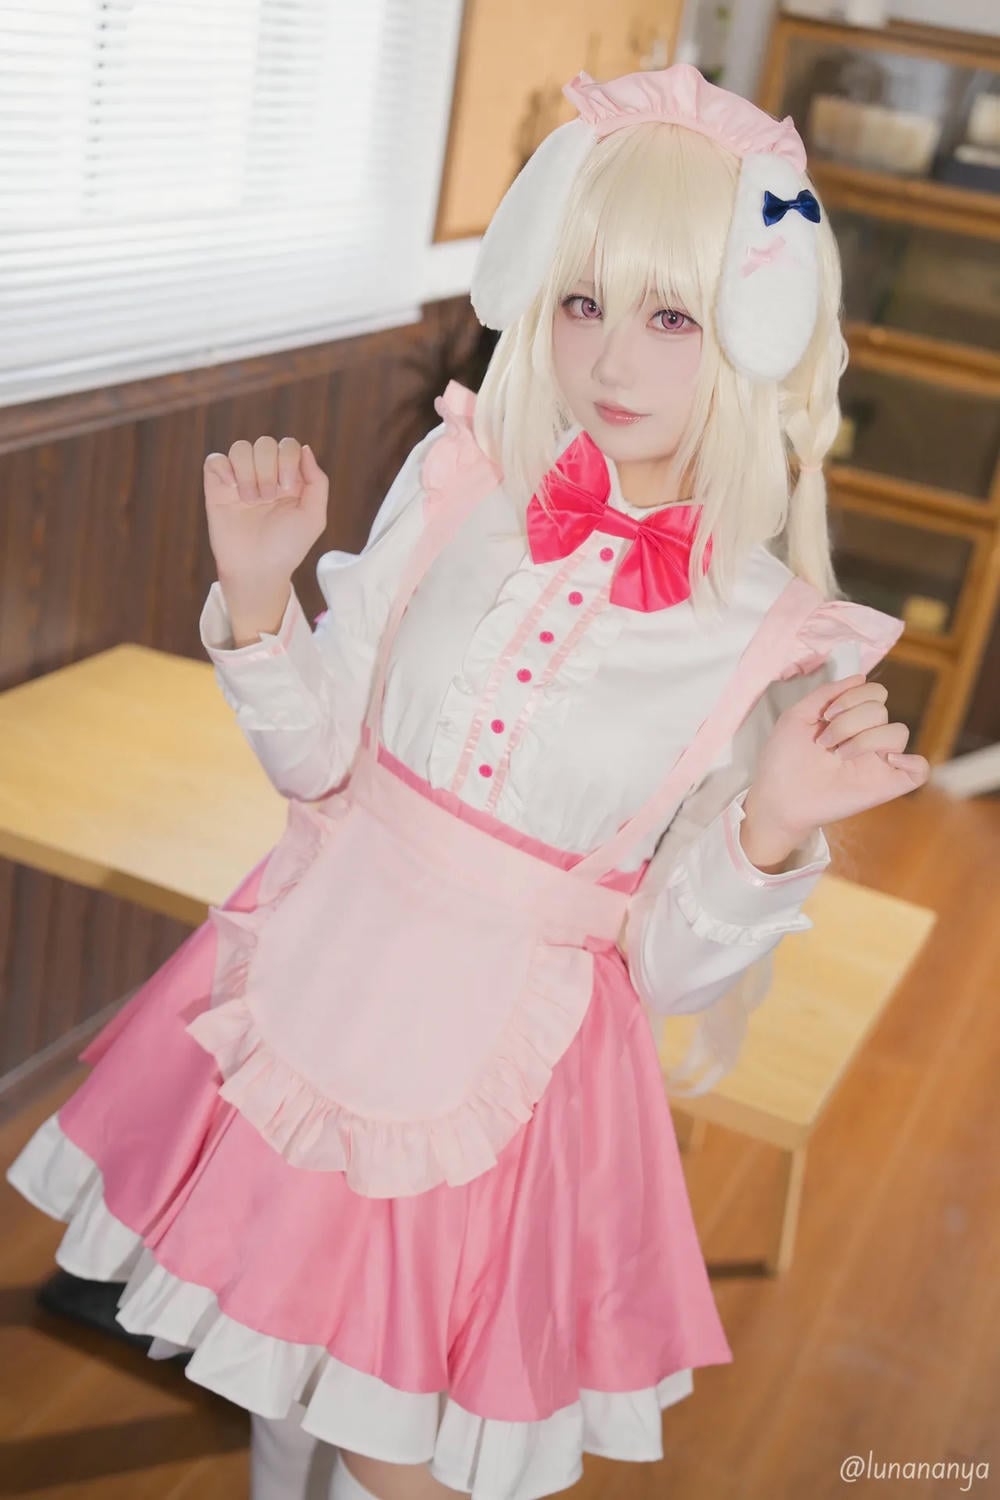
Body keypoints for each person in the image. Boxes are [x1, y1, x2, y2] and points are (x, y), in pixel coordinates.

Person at [8, 63, 927, 1500]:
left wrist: (770, 827)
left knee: (395, 1451)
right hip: (318, 977)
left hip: (498, 1074)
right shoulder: (459, 483)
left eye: (671, 317)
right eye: (583, 302)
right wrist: (259, 599)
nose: (610, 363)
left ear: (751, 333)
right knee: (280, 1393)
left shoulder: (766, 631)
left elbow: (670, 969)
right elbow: (319, 766)